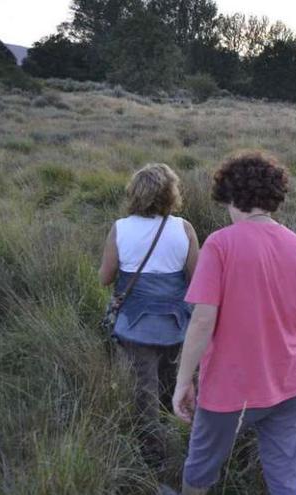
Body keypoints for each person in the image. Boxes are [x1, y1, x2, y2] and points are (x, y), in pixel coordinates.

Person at [172, 151, 296, 495]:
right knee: (286, 475)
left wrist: (183, 381)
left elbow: (203, 321)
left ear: (231, 196)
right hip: (291, 383)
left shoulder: (219, 244)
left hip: (229, 389)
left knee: (200, 469)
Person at [98, 163, 200, 463]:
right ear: (171, 195)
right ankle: (187, 450)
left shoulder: (121, 228)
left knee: (144, 397)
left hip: (134, 329)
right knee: (177, 389)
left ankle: (154, 462)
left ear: (135, 193)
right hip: (177, 328)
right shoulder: (184, 228)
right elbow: (198, 281)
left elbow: (105, 278)